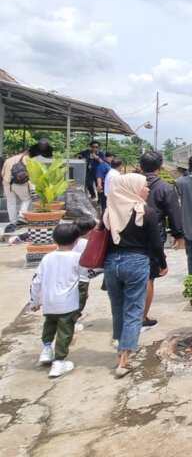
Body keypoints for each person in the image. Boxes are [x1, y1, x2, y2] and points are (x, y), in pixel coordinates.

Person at [103, 173, 167, 378]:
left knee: (118, 309)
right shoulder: (145, 212)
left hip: (112, 264)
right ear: (132, 188)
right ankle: (124, 359)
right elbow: (156, 244)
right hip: (137, 262)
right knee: (134, 310)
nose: (147, 189)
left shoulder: (108, 212)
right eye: (144, 186)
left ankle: (120, 348)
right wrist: (161, 264)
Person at [29, 223, 82, 378]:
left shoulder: (47, 257)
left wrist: (34, 301)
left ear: (54, 239)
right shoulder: (77, 258)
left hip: (49, 302)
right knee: (65, 332)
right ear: (76, 240)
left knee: (49, 325)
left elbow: (36, 281)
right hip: (68, 303)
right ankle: (59, 362)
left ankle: (46, 349)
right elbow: (87, 273)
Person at [139, 151, 184, 328]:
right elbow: (174, 213)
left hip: (126, 237)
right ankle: (142, 317)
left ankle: (128, 316)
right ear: (160, 166)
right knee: (148, 277)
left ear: (141, 166)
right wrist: (178, 235)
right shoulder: (165, 188)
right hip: (152, 238)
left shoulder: (129, 185)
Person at [72, 217, 98, 330]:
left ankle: (72, 318)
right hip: (82, 278)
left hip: (71, 277)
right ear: (89, 231)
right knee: (80, 300)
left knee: (73, 299)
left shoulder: (72, 242)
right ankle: (72, 322)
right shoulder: (87, 243)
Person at [2, 148, 32, 233]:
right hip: (19, 184)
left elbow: (2, 173)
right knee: (26, 199)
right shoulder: (27, 159)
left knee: (11, 202)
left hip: (7, 183)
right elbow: (30, 174)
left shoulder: (8, 160)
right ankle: (21, 218)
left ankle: (13, 222)